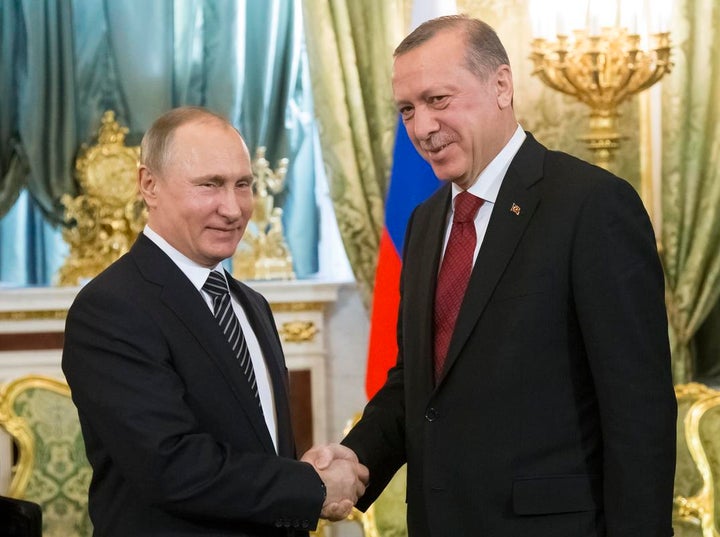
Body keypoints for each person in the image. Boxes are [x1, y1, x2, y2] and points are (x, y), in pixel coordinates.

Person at [305, 15, 676, 537]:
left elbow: (639, 412)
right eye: (407, 110)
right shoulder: (426, 220)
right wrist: (353, 459)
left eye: (438, 100)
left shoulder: (591, 206)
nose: (421, 128)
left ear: (501, 85)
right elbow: (418, 384)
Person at [62, 106, 367, 536]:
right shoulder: (110, 309)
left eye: (243, 184)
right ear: (149, 185)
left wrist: (300, 472)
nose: (233, 208)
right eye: (210, 185)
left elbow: (250, 448)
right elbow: (172, 468)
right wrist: (309, 485)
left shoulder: (251, 304)